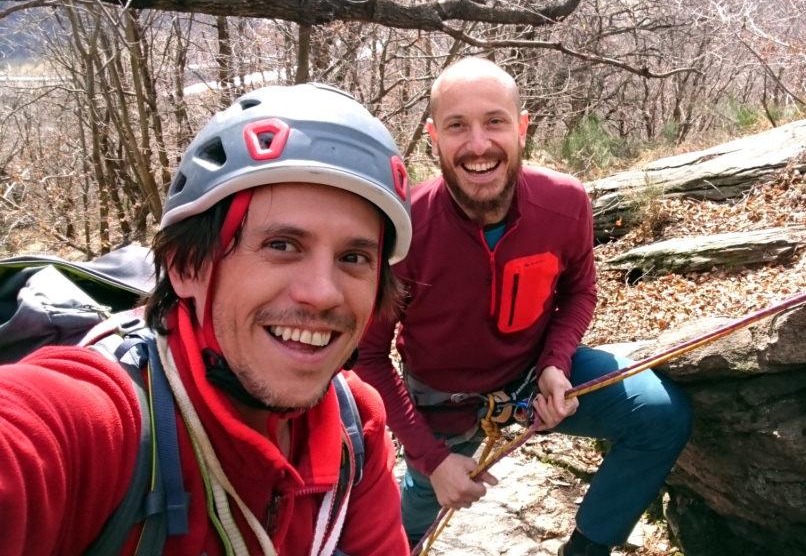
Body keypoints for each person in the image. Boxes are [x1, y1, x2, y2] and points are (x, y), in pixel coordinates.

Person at [0, 83, 412, 555]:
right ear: (186, 267)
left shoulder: (353, 425)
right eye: (282, 245)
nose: (322, 293)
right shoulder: (99, 424)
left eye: (354, 257)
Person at [356, 57, 694, 555]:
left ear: (522, 127)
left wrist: (556, 364)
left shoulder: (564, 202)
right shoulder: (403, 229)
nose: (478, 145)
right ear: (433, 136)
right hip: (442, 401)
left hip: (533, 373)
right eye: (457, 126)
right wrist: (432, 460)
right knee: (415, 515)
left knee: (660, 416)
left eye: (494, 121)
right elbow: (368, 357)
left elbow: (579, 290)